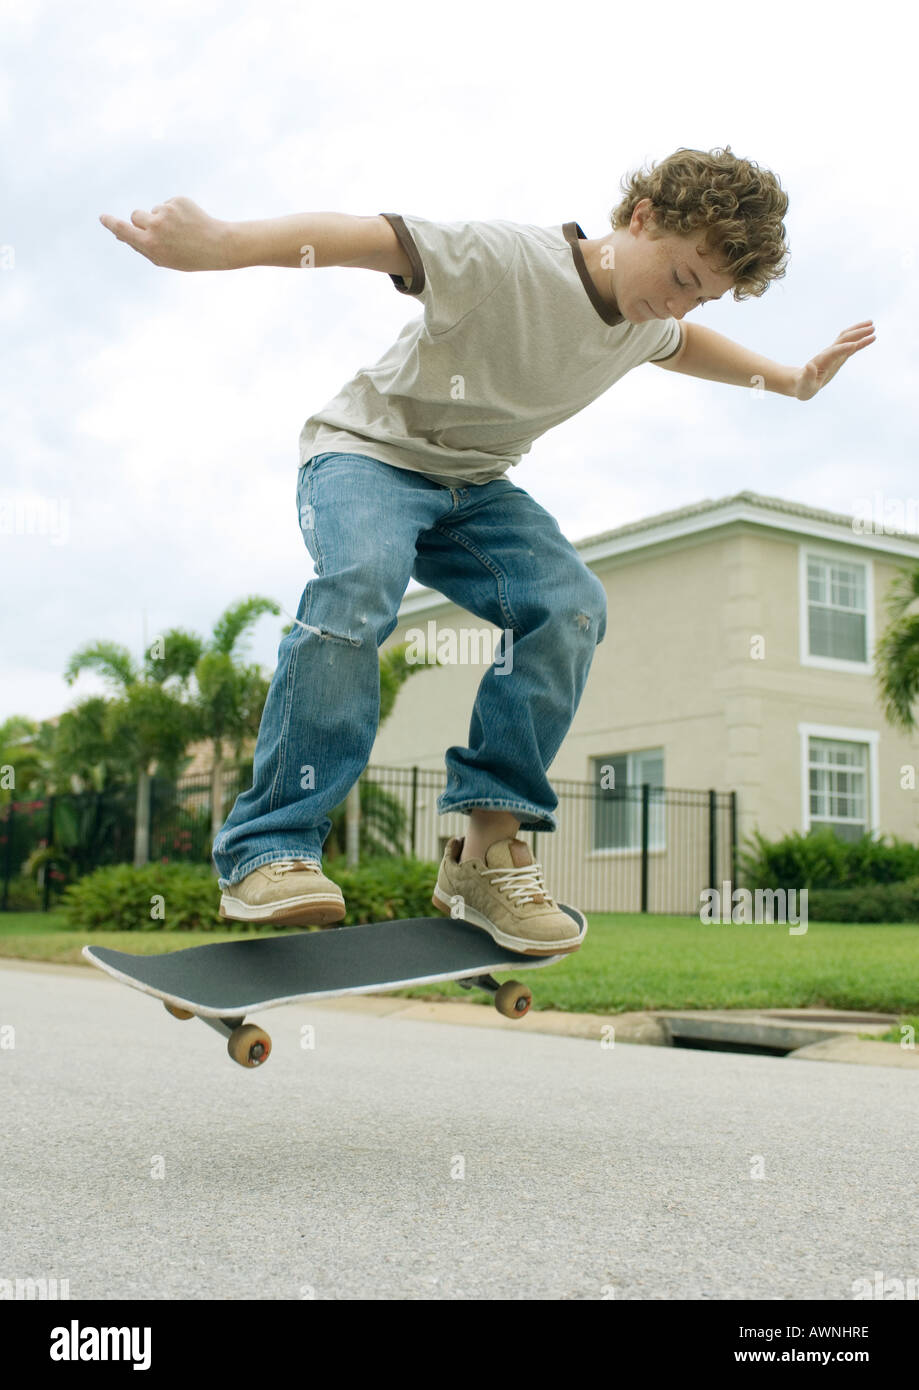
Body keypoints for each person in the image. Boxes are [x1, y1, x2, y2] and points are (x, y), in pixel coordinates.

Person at [99, 145, 875, 955]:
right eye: (681, 278)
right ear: (640, 217)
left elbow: (690, 347)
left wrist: (787, 380)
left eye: (703, 296)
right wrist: (221, 243)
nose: (676, 306)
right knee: (360, 586)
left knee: (569, 605)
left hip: (473, 492)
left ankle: (484, 852)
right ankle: (270, 850)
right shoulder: (508, 258)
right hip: (367, 457)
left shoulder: (647, 324)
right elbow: (367, 237)